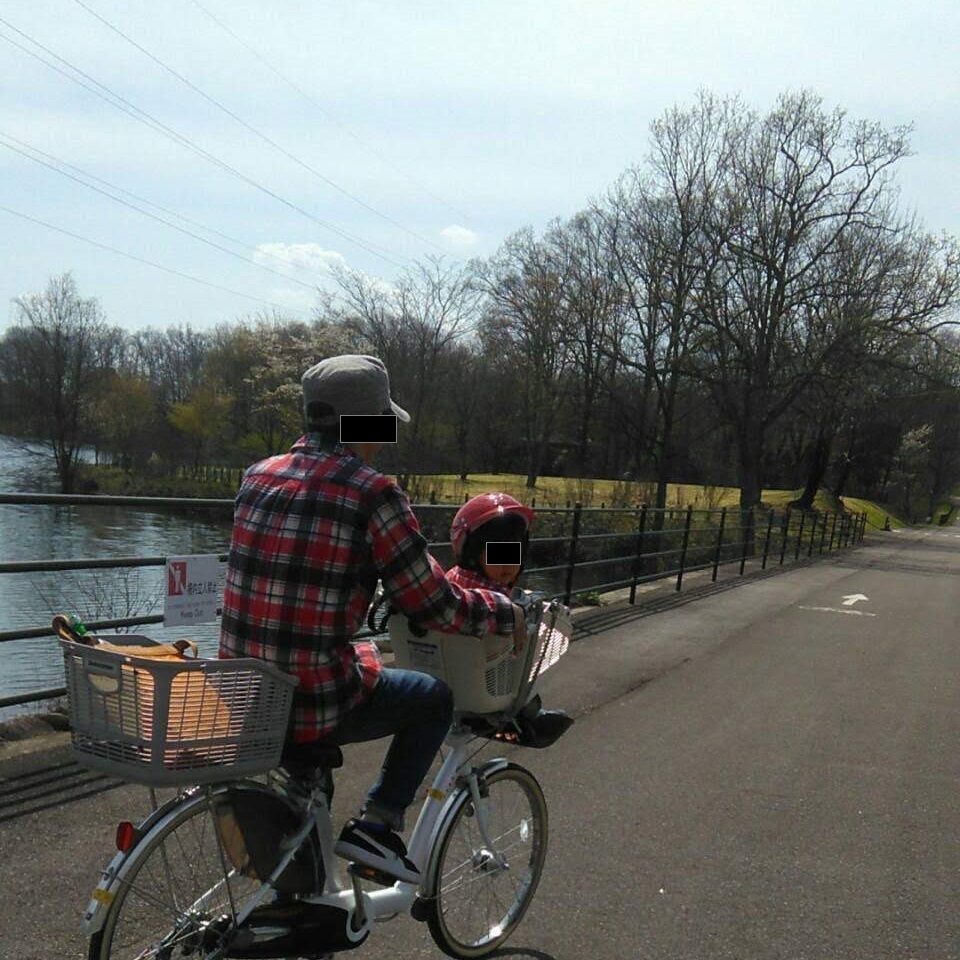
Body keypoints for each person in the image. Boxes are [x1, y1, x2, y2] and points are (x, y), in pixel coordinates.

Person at [219, 355, 526, 884]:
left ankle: (301, 885)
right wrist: (505, 611)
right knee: (431, 699)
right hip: (312, 694)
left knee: (311, 771)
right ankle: (378, 828)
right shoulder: (372, 491)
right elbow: (433, 605)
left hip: (245, 689)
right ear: (367, 422)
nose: (384, 440)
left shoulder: (258, 474)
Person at [445, 493, 574, 747]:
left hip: (448, 670)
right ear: (472, 553)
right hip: (479, 682)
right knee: (528, 655)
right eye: (497, 555)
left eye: (513, 555)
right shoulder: (487, 597)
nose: (507, 565)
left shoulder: (453, 580)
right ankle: (528, 714)